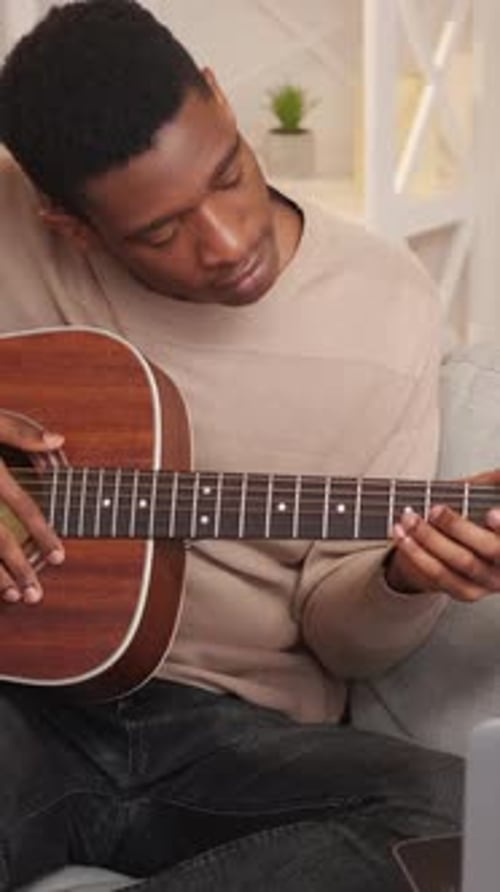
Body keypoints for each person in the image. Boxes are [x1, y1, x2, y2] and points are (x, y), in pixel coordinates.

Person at [0, 1, 499, 889]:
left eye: (228, 176)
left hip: (230, 734)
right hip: (20, 708)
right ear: (65, 223)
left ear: (223, 104)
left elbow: (343, 643)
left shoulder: (385, 303)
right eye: (160, 232)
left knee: (462, 819)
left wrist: (404, 578)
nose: (228, 243)